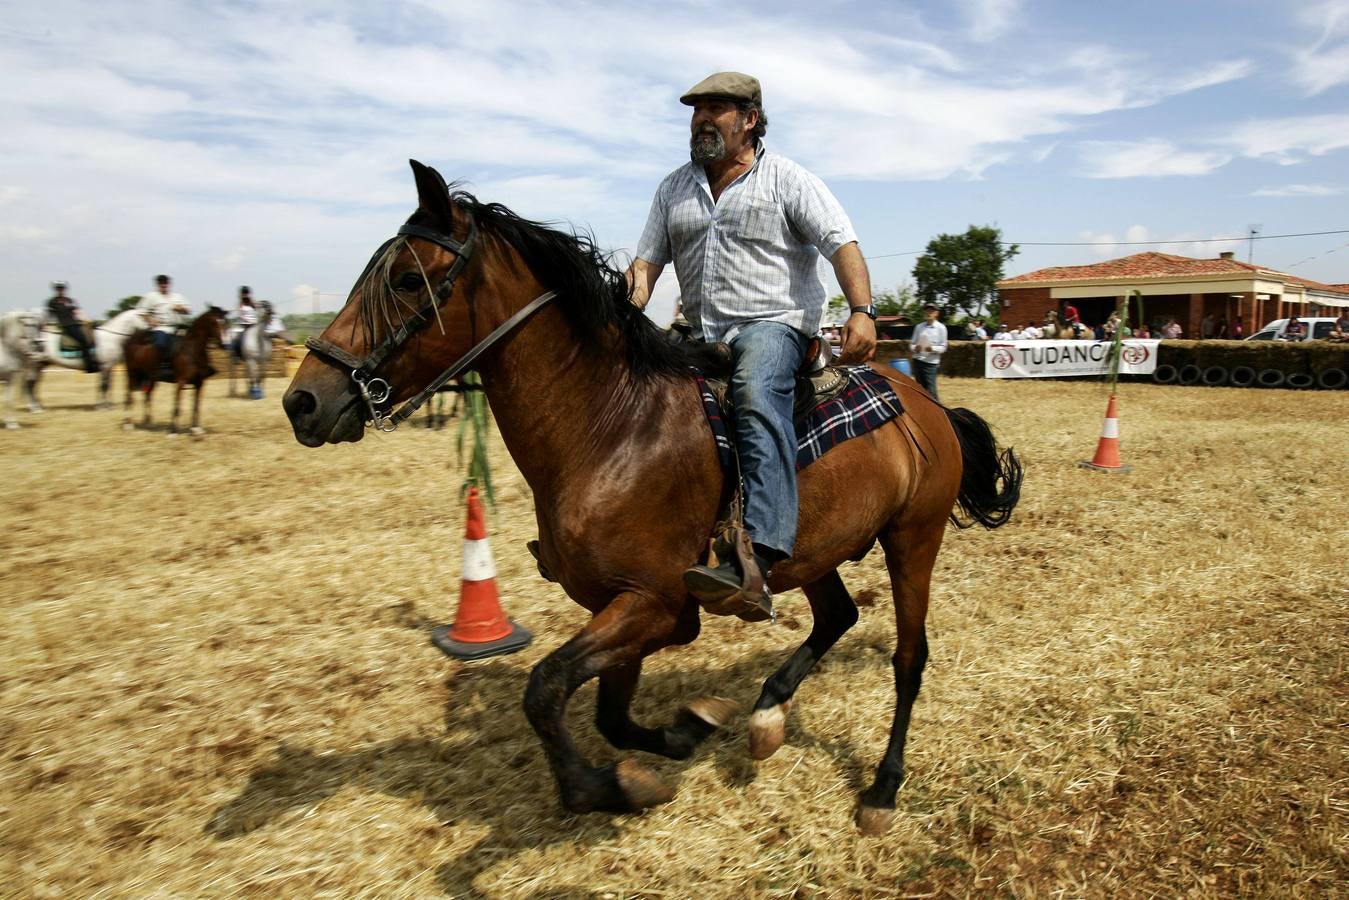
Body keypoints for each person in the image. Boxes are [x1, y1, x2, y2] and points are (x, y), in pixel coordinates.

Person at [627, 71, 876, 621]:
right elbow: (648, 259)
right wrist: (637, 286)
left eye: (715, 109)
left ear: (750, 120)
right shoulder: (674, 187)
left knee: (755, 391)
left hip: (772, 325)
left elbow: (842, 243)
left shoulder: (788, 180)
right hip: (698, 331)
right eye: (696, 111)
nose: (701, 120)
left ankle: (760, 555)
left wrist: (862, 311)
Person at [45, 281, 97, 373]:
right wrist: (46, 325)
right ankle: (89, 366)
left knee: (93, 333)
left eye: (62, 288)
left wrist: (87, 320)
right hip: (67, 326)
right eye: (59, 288)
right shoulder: (52, 302)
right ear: (56, 289)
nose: (61, 290)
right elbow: (49, 316)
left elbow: (77, 312)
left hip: (77, 323)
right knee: (83, 340)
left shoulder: (70, 300)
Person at [136, 274, 189, 357]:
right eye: (161, 283)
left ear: (169, 284)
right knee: (160, 343)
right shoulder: (151, 296)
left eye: (165, 283)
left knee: (187, 345)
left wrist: (181, 308)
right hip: (160, 328)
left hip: (178, 328)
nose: (163, 285)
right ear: (157, 284)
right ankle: (162, 364)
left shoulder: (178, 297)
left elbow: (187, 311)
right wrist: (150, 320)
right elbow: (141, 312)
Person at [909, 304, 948, 399]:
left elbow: (943, 347)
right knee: (919, 389)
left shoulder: (941, 328)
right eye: (927, 310)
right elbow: (912, 344)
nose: (929, 313)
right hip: (917, 361)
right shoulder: (919, 327)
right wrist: (915, 348)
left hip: (930, 364)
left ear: (936, 313)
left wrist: (932, 349)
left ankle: (939, 412)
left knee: (931, 391)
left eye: (931, 311)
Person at [232, 286, 257, 358]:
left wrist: (256, 320)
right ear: (241, 294)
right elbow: (241, 315)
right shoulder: (240, 304)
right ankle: (235, 355)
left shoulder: (253, 303)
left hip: (253, 325)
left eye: (246, 293)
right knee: (237, 339)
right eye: (244, 293)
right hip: (244, 325)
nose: (245, 295)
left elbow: (257, 311)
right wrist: (248, 320)